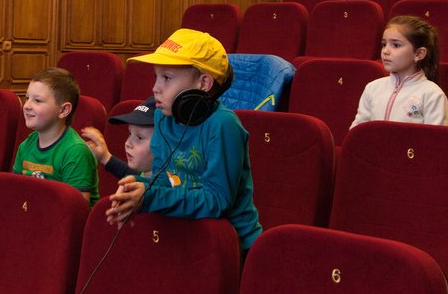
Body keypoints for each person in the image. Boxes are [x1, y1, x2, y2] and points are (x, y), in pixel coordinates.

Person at [105, 28, 262, 254]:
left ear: (204, 83)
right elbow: (164, 180)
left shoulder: (224, 125)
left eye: (167, 78)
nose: (155, 88)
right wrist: (135, 190)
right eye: (156, 77)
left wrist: (149, 196)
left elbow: (217, 200)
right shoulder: (162, 118)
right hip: (186, 235)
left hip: (233, 247)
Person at [13, 67, 99, 207]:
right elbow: (15, 192)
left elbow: (76, 210)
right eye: (27, 98)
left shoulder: (76, 151)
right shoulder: (25, 146)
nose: (27, 106)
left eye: (38, 100)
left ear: (64, 110)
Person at [350, 15, 448, 128]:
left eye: (396, 45)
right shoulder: (372, 88)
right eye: (384, 44)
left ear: (419, 54)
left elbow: (438, 137)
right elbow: (358, 131)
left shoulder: (432, 94)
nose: (385, 51)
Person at [81, 96, 155, 179]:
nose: (128, 143)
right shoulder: (147, 174)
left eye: (140, 137)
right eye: (130, 133)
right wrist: (105, 157)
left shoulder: (165, 185)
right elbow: (134, 175)